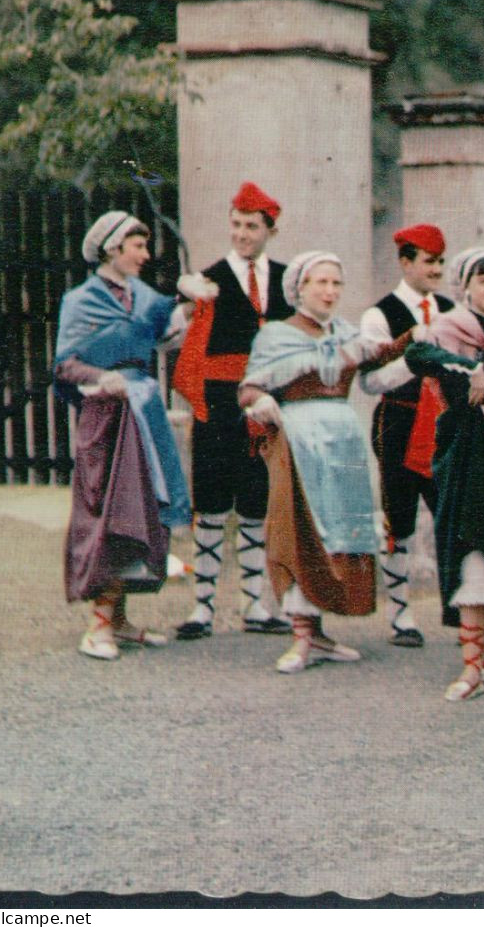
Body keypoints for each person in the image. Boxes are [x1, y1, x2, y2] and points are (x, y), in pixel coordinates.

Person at [239, 252, 406, 674]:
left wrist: (420, 336)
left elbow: (381, 354)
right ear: (299, 287)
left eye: (336, 283)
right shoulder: (277, 336)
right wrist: (260, 401)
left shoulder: (348, 335)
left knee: (339, 530)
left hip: (343, 441)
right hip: (298, 439)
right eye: (320, 283)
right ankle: (300, 634)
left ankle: (320, 631)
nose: (330, 292)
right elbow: (250, 387)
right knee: (300, 528)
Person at [55, 211, 201, 660]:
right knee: (110, 512)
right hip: (107, 417)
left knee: (145, 510)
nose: (145, 254)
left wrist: (191, 304)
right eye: (137, 246)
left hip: (145, 410)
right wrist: (104, 376)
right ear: (113, 249)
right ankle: (98, 624)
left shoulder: (145, 297)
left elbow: (164, 331)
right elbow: (65, 365)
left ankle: (119, 619)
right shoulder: (81, 301)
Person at [403, 246, 484, 702]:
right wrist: (467, 366)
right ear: (466, 287)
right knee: (472, 546)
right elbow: (418, 355)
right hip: (468, 450)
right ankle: (470, 666)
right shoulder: (449, 328)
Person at [171, 182, 294, 640]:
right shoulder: (209, 278)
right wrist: (184, 295)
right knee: (213, 504)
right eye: (237, 225)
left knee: (256, 504)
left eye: (252, 226)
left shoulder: (286, 279)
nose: (242, 234)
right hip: (217, 403)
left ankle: (255, 605)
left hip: (265, 403)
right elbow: (180, 333)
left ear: (269, 230)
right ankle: (202, 608)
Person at [360, 224, 454, 647]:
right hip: (399, 420)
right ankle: (401, 615)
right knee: (399, 516)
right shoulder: (379, 314)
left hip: (443, 423)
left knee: (451, 513)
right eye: (428, 261)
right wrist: (412, 363)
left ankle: (462, 613)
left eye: (439, 261)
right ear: (405, 262)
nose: (436, 269)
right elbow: (369, 381)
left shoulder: (451, 309)